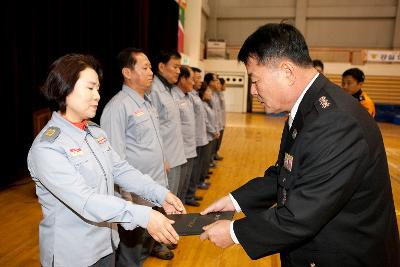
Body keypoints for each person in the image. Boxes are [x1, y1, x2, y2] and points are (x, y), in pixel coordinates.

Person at [200, 23, 399, 266]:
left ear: (287, 71)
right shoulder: (309, 108)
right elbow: (286, 173)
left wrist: (234, 233)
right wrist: (234, 201)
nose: (252, 91)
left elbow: (301, 215)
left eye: (255, 80)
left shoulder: (336, 123)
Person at [27, 53, 185, 267]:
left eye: (98, 89)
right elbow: (86, 201)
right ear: (65, 87)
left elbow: (121, 170)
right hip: (74, 255)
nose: (97, 96)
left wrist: (160, 194)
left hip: (106, 244)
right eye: (90, 88)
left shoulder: (94, 131)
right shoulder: (48, 148)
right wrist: (144, 215)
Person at [100, 48, 170, 266]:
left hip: (155, 186)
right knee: (131, 252)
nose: (151, 72)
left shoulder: (146, 102)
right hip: (135, 196)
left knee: (145, 244)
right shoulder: (117, 107)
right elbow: (114, 158)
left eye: (151, 67)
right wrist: (126, 199)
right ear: (127, 73)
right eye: (145, 67)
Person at [148, 50, 187, 259]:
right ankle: (156, 243)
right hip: (166, 159)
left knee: (172, 202)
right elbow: (154, 128)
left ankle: (165, 236)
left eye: (180, 67)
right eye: (175, 66)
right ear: (161, 67)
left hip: (175, 154)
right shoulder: (154, 90)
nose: (178, 71)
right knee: (162, 204)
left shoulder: (168, 89)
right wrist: (162, 157)